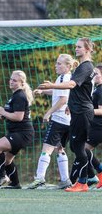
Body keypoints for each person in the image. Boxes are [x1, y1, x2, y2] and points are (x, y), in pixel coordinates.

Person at [38, 37, 95, 192]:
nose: (76, 49)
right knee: (78, 146)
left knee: (78, 147)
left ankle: (83, 182)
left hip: (83, 112)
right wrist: (70, 104)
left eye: (79, 47)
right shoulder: (83, 67)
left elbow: (71, 85)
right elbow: (77, 91)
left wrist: (52, 85)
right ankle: (91, 177)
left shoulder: (86, 66)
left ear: (87, 49)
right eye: (75, 47)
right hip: (78, 111)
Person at [27, 54, 77, 189]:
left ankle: (40, 178)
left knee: (46, 149)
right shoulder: (67, 78)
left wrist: (48, 113)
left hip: (59, 119)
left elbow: (63, 100)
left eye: (59, 63)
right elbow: (58, 92)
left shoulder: (64, 78)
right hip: (68, 121)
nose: (56, 65)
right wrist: (44, 92)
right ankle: (66, 180)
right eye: (56, 63)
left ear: (68, 66)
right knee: (60, 148)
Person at [0, 70, 35, 189]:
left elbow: (19, 117)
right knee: (7, 160)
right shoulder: (15, 95)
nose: (11, 82)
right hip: (17, 132)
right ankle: (15, 183)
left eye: (14, 80)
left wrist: (3, 112)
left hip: (22, 133)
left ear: (21, 83)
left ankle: (2, 176)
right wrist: (4, 115)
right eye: (11, 79)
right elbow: (13, 114)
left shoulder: (20, 96)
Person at [85, 64, 102, 188]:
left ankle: (97, 173)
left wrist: (86, 110)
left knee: (83, 149)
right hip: (95, 126)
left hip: (98, 127)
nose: (94, 76)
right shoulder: (96, 89)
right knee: (83, 150)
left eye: (96, 73)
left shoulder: (100, 90)